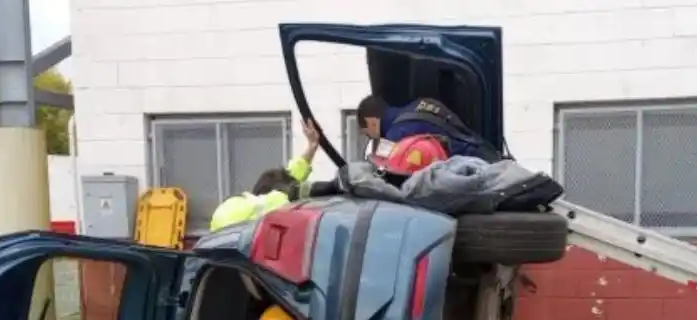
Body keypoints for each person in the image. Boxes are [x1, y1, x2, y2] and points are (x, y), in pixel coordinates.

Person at [209, 118, 321, 232]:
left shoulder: (231, 205)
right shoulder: (271, 205)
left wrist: (312, 146)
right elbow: (284, 195)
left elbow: (289, 176)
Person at [356, 94, 502, 162]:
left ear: (371, 122)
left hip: (473, 169)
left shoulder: (396, 134)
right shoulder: (420, 104)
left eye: (367, 133)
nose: (370, 137)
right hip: (485, 154)